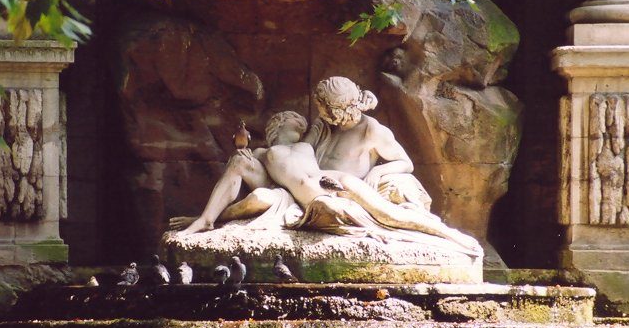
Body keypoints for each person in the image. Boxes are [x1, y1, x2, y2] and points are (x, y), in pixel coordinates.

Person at [173, 111, 482, 257]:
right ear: (277, 126)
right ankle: (206, 221)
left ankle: (450, 236)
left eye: (304, 123)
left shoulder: (308, 142)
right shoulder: (263, 155)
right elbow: (240, 171)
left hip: (340, 186)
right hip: (314, 201)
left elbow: (323, 121)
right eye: (294, 121)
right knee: (238, 162)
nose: (302, 124)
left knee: (391, 216)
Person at [304, 76, 432, 211]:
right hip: (312, 186)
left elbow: (406, 163)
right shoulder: (326, 124)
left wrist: (377, 171)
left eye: (322, 107)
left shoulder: (372, 131)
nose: (320, 112)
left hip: (344, 195)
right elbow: (301, 151)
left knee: (405, 184)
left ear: (336, 110)